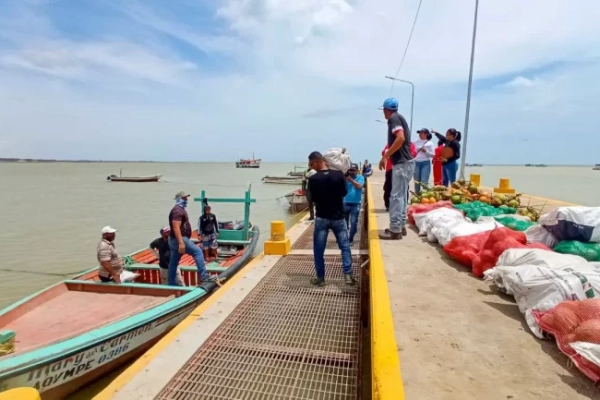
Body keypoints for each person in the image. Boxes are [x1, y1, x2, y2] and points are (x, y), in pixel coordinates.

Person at [307, 151, 355, 286]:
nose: (311, 167)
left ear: (316, 162)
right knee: (344, 247)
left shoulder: (313, 179)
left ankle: (320, 278)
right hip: (338, 217)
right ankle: (347, 276)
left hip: (322, 218)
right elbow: (344, 192)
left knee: (318, 249)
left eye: (311, 164)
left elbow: (312, 199)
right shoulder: (339, 175)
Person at [378, 98, 415, 240]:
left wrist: (386, 155)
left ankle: (395, 230)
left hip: (402, 163)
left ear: (385, 110)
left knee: (395, 197)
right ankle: (400, 226)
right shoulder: (399, 117)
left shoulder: (394, 119)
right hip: (407, 163)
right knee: (402, 196)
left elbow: (400, 138)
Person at [168, 191, 215, 286]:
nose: (186, 200)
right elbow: (176, 227)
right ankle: (204, 277)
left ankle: (171, 283)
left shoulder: (179, 209)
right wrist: (181, 242)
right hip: (180, 239)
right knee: (198, 252)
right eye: (184, 198)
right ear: (178, 199)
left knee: (174, 261)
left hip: (173, 239)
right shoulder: (177, 211)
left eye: (186, 198)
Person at [343, 163, 365, 245]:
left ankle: (351, 238)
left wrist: (350, 180)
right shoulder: (345, 178)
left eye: (353, 170)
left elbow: (359, 186)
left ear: (357, 171)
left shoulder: (360, 177)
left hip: (355, 204)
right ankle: (344, 237)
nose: (352, 172)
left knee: (353, 222)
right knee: (344, 223)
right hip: (345, 203)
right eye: (350, 170)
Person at [413, 128, 435, 194]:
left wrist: (426, 152)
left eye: (421, 133)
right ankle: (417, 195)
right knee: (417, 181)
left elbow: (433, 155)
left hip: (425, 163)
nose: (419, 134)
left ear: (426, 134)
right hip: (416, 163)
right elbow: (412, 151)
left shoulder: (430, 143)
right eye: (419, 133)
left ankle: (425, 195)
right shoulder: (415, 142)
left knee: (424, 181)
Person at [381, 144, 393, 211]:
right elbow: (383, 153)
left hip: (400, 169)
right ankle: (388, 205)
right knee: (388, 187)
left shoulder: (406, 143)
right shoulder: (389, 144)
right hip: (390, 168)